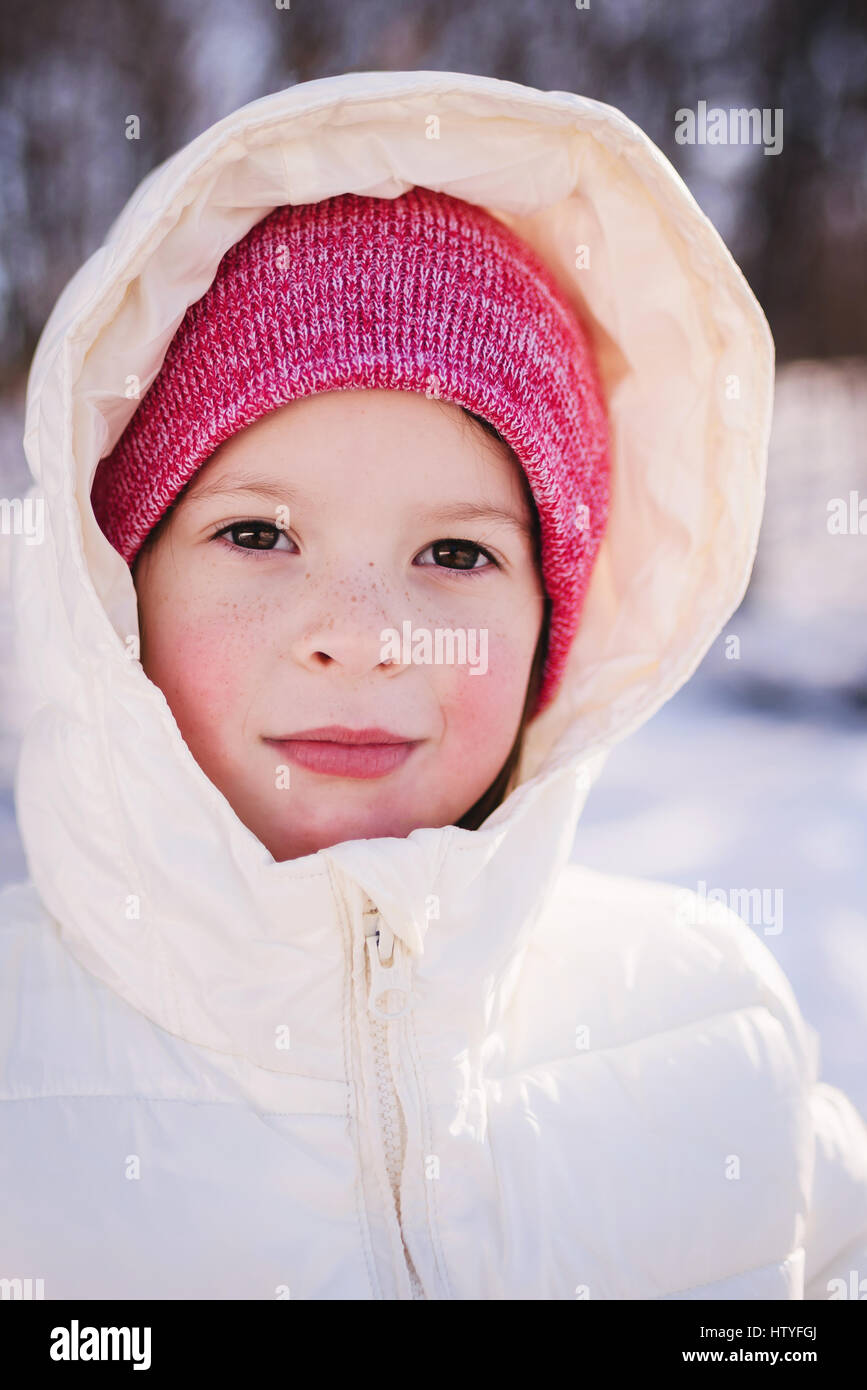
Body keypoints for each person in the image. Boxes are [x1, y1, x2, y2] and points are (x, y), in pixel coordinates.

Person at [2, 70, 865, 1301]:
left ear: (548, 632)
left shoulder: (715, 1033)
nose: (362, 639)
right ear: (120, 589)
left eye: (455, 553)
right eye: (259, 534)